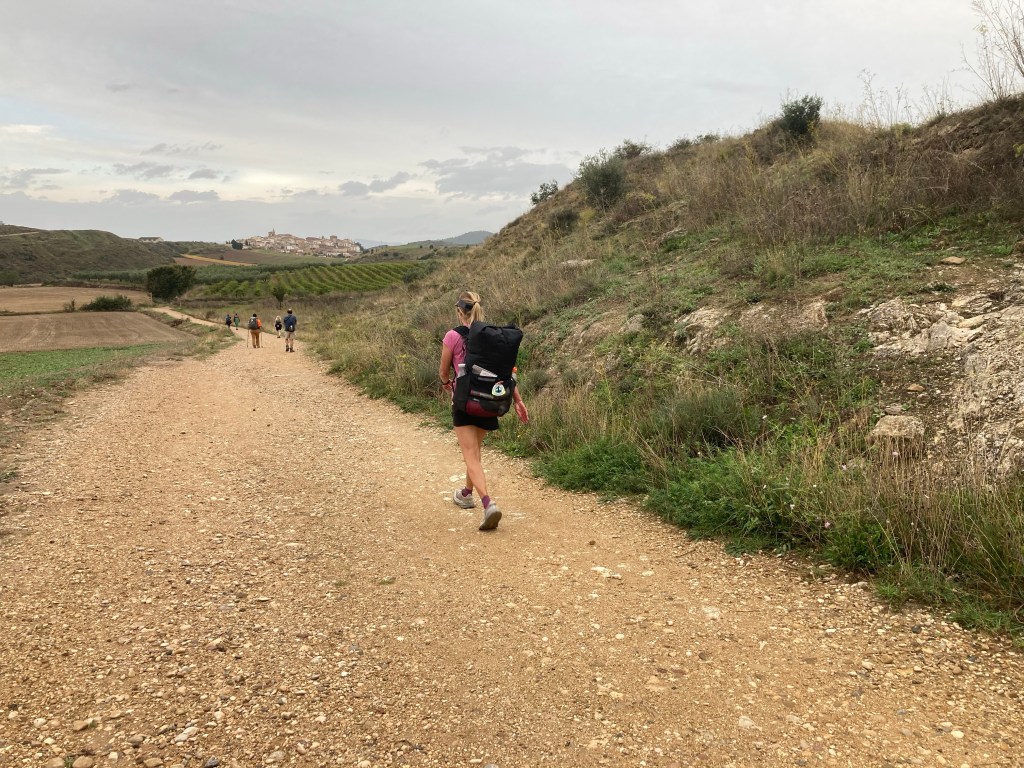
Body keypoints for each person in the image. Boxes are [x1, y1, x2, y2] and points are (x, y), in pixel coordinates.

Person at [439, 291, 528, 531]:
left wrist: (447, 384)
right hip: (491, 402)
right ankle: (466, 493)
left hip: (465, 402)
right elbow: (506, 372)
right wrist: (518, 400)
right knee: (475, 452)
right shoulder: (491, 336)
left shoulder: (452, 336)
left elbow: (444, 372)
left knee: (470, 455)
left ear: (459, 312)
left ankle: (489, 504)